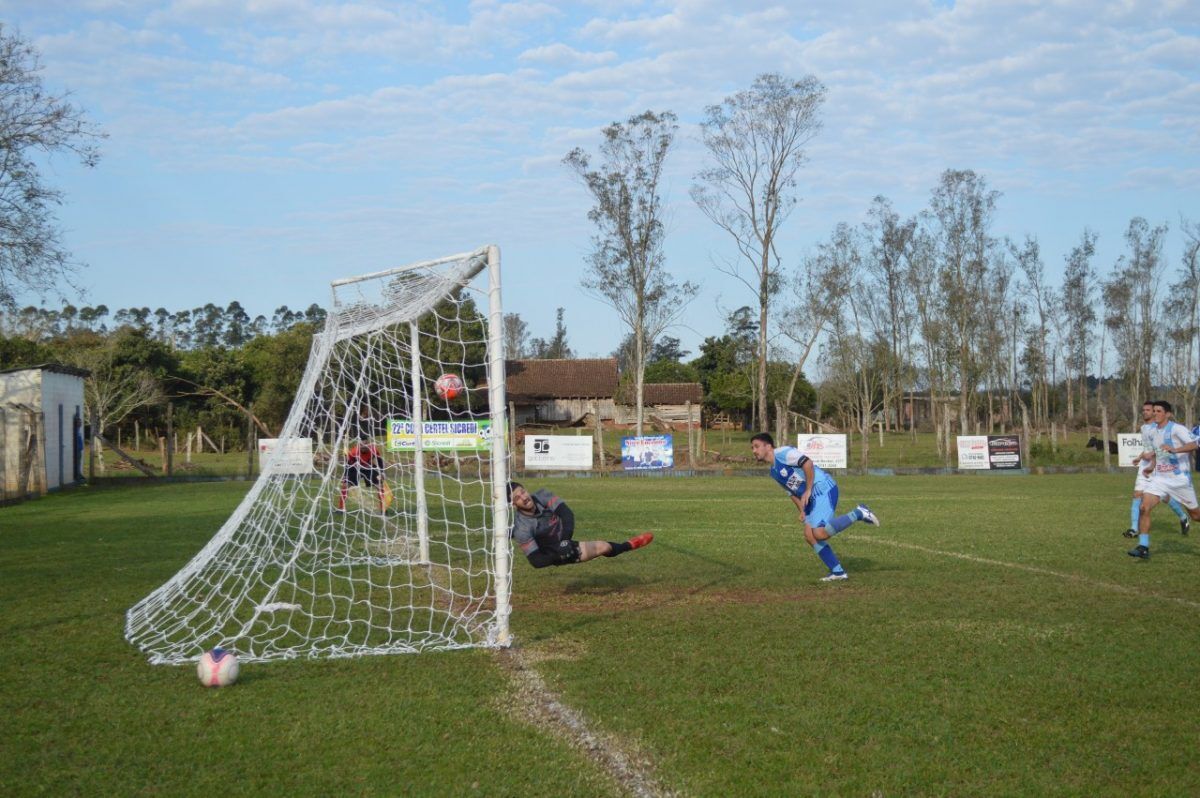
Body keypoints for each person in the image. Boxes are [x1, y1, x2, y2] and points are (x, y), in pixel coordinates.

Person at [750, 432, 880, 582]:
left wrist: (809, 489)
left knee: (819, 533)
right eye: (752, 448)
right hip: (811, 498)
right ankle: (838, 572)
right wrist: (802, 511)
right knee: (809, 535)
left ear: (768, 446)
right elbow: (791, 492)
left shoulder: (783, 453)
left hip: (822, 488)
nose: (754, 450)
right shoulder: (774, 471)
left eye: (757, 446)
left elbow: (807, 463)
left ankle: (858, 513)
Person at [508, 481, 653, 568]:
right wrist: (558, 555)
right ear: (514, 505)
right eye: (518, 498)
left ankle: (629, 545)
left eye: (523, 492)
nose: (524, 497)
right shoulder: (522, 528)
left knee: (604, 547)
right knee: (601, 547)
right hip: (552, 554)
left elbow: (566, 514)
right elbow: (536, 561)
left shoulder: (542, 495)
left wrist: (565, 541)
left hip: (565, 542)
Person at [1130, 400, 1200, 559]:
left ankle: (1186, 518)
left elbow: (1195, 444)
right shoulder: (1153, 431)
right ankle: (1143, 547)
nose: (1155, 413)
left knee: (1196, 516)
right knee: (1144, 507)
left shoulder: (1177, 429)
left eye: (1159, 411)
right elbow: (1158, 453)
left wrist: (1175, 449)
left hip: (1180, 481)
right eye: (1153, 411)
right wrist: (1151, 466)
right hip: (1160, 480)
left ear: (1167, 414)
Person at [1125, 401, 1190, 538]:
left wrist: (1152, 460)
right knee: (1137, 494)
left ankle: (1183, 516)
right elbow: (1148, 448)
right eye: (1144, 410)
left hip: (1159, 466)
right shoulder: (1143, 428)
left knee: (1165, 497)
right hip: (1145, 465)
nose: (1146, 412)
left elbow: (1160, 450)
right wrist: (1140, 457)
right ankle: (1133, 528)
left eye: (1149, 410)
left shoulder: (1160, 428)